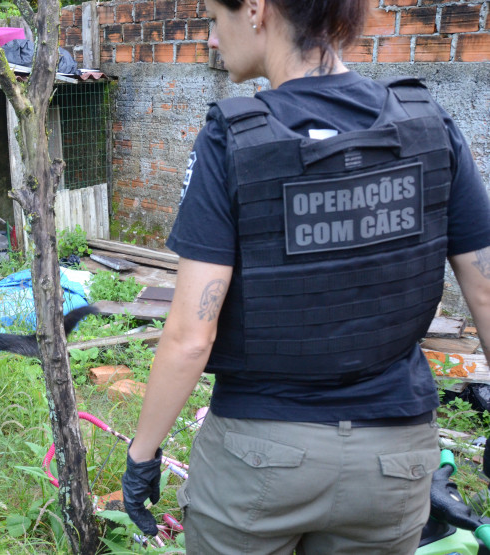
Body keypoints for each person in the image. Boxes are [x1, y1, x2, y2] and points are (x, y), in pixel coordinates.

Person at [121, 0, 490, 552]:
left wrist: (142, 455)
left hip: (258, 457)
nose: (213, 39)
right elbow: (484, 291)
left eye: (215, 18)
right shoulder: (429, 124)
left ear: (255, 10)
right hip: (394, 463)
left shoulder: (231, 140)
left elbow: (191, 336)